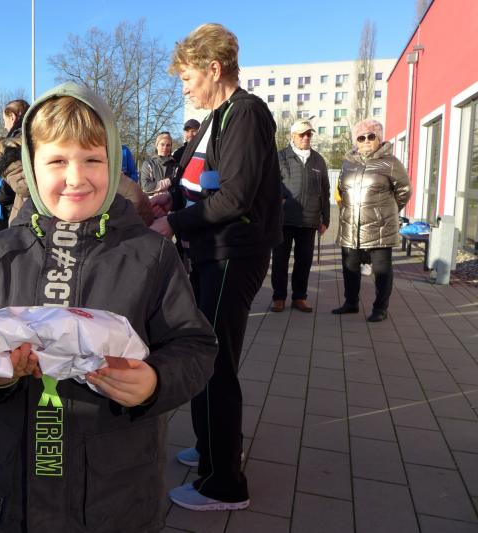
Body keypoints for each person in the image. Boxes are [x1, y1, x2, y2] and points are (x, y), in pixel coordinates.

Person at [0, 82, 216, 533]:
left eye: (93, 159)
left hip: (116, 490)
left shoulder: (151, 256)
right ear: (31, 167)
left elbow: (196, 346)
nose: (76, 178)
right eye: (57, 161)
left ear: (113, 164)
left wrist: (155, 380)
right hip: (14, 484)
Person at [150, 23, 283, 511]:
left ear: (213, 68)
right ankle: (212, 447)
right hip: (211, 253)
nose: (184, 88)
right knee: (207, 355)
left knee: (213, 361)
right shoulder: (217, 117)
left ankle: (224, 483)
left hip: (232, 255)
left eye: (187, 78)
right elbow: (194, 181)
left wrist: (171, 224)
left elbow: (233, 197)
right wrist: (168, 198)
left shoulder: (245, 113)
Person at [332, 119, 411, 322]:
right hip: (351, 225)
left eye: (371, 136)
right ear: (356, 141)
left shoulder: (391, 162)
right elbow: (341, 189)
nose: (366, 140)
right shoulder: (348, 163)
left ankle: (380, 308)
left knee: (381, 269)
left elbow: (404, 191)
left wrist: (386, 212)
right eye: (361, 137)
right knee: (350, 266)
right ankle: (351, 302)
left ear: (379, 138)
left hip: (380, 226)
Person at [270, 119, 330, 313]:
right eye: (302, 134)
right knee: (280, 260)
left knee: (304, 262)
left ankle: (299, 297)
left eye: (309, 134)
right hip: (284, 219)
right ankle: (279, 297)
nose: (306, 137)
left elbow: (325, 190)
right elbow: (269, 184)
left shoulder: (318, 160)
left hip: (309, 219)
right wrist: (278, 199)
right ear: (293, 136)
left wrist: (326, 219)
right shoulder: (280, 157)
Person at [0, 99, 31, 223]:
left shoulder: (15, 142)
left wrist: (3, 166)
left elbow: (23, 186)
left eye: (4, 120)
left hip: (27, 211)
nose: (4, 126)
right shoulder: (40, 135)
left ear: (12, 117)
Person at [140, 132, 178, 196]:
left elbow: (176, 187)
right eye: (162, 144)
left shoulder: (175, 165)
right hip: (152, 200)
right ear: (157, 145)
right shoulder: (148, 163)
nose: (165, 148)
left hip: (171, 200)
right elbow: (146, 186)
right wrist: (169, 181)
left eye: (168, 145)